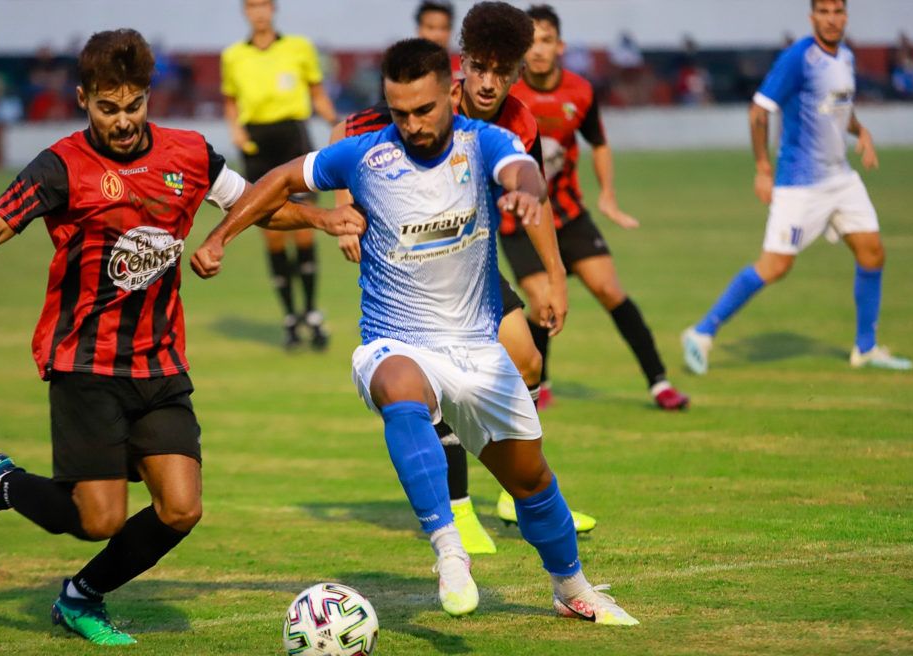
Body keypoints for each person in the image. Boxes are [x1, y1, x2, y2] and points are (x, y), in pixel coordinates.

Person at [0, 29, 362, 646]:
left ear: (148, 97)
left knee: (181, 508)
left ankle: (80, 596)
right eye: (107, 109)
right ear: (84, 100)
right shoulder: (62, 166)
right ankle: (1, 483)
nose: (122, 122)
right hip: (84, 362)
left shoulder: (188, 154)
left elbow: (249, 203)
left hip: (159, 360)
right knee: (99, 519)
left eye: (134, 106)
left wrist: (323, 217)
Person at [192, 36, 639, 626]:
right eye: (400, 112)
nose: (412, 124)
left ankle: (572, 587)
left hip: (478, 350)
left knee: (532, 483)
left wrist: (544, 245)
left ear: (448, 95)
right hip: (396, 340)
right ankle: (449, 551)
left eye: (423, 110)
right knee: (400, 388)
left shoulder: (484, 144)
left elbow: (524, 173)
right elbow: (278, 179)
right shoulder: (363, 155)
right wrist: (222, 236)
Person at [334, 1, 599, 556]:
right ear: (463, 63)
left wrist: (554, 276)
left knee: (527, 359)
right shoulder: (426, 103)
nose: (488, 81)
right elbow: (344, 131)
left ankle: (511, 490)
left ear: (518, 70)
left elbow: (539, 198)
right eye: (479, 67)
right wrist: (345, 211)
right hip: (408, 271)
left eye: (502, 71)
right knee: (438, 384)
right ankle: (459, 509)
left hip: (467, 264)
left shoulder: (519, 122)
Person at [682, 0, 913, 373]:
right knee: (775, 266)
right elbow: (759, 110)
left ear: (846, 16)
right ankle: (701, 332)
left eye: (837, 11)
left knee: (873, 253)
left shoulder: (847, 58)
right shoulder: (798, 58)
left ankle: (865, 349)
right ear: (812, 17)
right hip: (801, 184)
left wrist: (862, 131)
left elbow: (840, 107)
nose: (831, 18)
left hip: (841, 178)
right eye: (823, 11)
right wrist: (762, 168)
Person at [510, 5, 690, 412]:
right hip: (518, 220)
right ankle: (541, 385)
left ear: (560, 46)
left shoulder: (580, 91)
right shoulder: (508, 93)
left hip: (569, 214)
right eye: (530, 41)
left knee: (609, 289)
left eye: (545, 40)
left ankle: (659, 383)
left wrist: (607, 194)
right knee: (541, 302)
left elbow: (600, 143)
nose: (537, 50)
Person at [222, 0, 339, 349]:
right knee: (272, 235)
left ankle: (312, 312)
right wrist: (236, 131)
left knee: (304, 231)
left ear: (273, 9)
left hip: (293, 140)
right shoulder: (232, 56)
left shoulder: (298, 47)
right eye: (251, 6)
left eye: (263, 5)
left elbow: (317, 93)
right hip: (257, 145)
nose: (258, 12)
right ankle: (290, 317)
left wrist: (336, 124)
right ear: (245, 11)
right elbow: (230, 101)